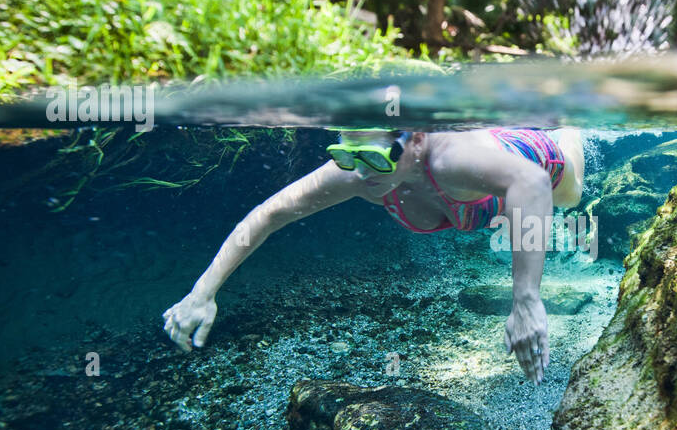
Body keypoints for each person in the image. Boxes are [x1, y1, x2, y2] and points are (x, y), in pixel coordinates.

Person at [162, 127, 586, 384]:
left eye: (374, 157)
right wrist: (203, 292)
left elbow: (530, 183)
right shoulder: (358, 173)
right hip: (482, 192)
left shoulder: (449, 159)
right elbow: (270, 214)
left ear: (416, 140)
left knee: (571, 196)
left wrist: (526, 299)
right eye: (348, 155)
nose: (361, 172)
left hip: (532, 159)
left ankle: (568, 125)